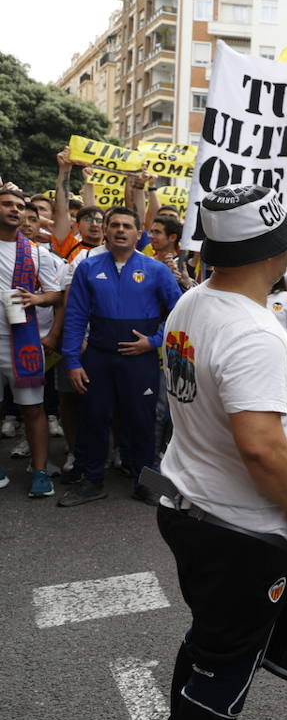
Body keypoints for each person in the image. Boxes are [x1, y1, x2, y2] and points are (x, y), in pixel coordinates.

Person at [147, 184, 287, 720]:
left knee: (208, 640)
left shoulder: (192, 302)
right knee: (227, 660)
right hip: (238, 527)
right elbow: (260, 448)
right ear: (277, 251)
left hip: (192, 505)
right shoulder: (252, 332)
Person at [58, 205, 181, 507]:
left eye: (128, 226)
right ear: (107, 231)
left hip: (140, 360)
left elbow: (180, 314)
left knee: (142, 421)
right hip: (98, 357)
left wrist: (153, 341)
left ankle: (148, 483)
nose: (121, 230)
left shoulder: (156, 269)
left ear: (139, 234)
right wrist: (72, 361)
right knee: (94, 418)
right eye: (115, 225)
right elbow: (74, 316)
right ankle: (92, 480)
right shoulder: (88, 267)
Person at [0, 189, 65, 497]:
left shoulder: (37, 252)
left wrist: (38, 297)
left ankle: (40, 471)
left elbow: (59, 295)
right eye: (7, 204)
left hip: (23, 340)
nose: (15, 210)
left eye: (19, 206)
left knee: (33, 408)